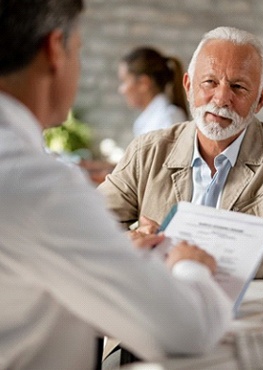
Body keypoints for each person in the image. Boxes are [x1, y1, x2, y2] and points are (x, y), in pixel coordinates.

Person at [0, 1, 232, 369]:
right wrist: (190, 265)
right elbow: (187, 330)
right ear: (54, 50)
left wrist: (112, 252)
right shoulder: (41, 186)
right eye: (79, 51)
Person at [98, 26, 263, 279]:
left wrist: (201, 257)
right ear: (189, 85)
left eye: (238, 87)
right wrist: (129, 241)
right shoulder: (146, 151)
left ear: (260, 99)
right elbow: (88, 223)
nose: (222, 98)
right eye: (210, 82)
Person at [118, 46, 188, 137]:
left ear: (144, 83)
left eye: (124, 81)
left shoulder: (168, 118)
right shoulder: (149, 119)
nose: (121, 90)